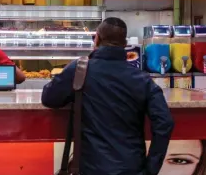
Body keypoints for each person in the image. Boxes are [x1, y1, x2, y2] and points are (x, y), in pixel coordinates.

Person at [42, 17, 174, 175]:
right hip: (132, 167)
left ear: (96, 38)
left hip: (91, 168)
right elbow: (164, 123)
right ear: (125, 44)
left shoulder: (79, 70)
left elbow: (49, 98)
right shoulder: (142, 79)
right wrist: (151, 168)